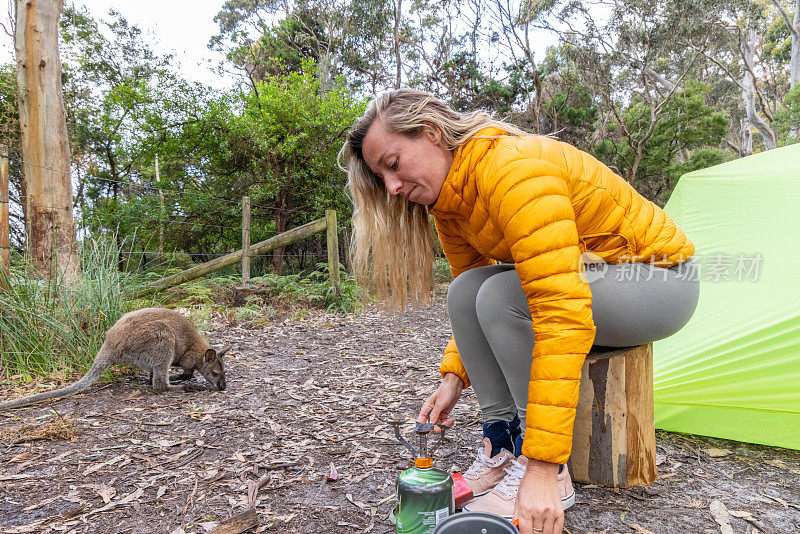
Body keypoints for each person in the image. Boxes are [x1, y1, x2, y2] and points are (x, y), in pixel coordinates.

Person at [341, 89, 699, 534]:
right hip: (599, 278)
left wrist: (545, 466)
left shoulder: (512, 168)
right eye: (382, 178)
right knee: (467, 290)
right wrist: (453, 377)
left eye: (393, 164)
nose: (392, 187)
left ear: (431, 133)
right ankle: (502, 443)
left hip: (659, 280)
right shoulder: (449, 204)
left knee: (502, 295)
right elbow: (469, 296)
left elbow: (559, 308)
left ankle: (545, 468)